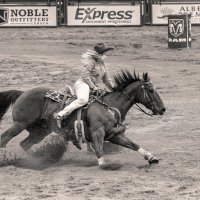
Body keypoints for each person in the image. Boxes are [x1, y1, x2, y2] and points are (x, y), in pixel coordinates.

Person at [53, 42, 115, 129]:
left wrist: (114, 88)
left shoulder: (102, 63)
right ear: (101, 53)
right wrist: (93, 86)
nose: (106, 54)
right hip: (83, 84)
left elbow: (106, 79)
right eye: (105, 52)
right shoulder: (91, 61)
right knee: (83, 100)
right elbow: (85, 76)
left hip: (91, 87)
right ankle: (60, 115)